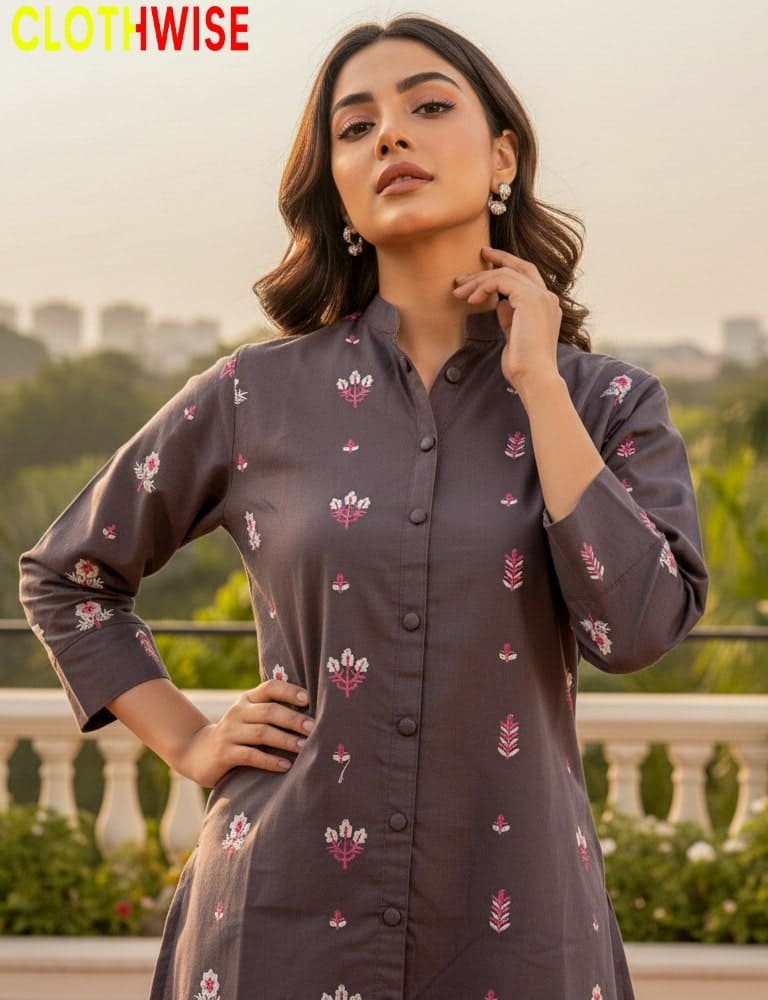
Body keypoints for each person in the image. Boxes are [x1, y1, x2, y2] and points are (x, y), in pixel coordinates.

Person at [19, 13, 708, 1000]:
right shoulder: (254, 395)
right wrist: (190, 738)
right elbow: (69, 573)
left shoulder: (609, 404)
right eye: (355, 125)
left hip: (517, 930)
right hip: (278, 923)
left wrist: (540, 384)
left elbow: (635, 627)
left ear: (502, 152)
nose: (390, 135)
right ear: (336, 182)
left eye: (428, 106)